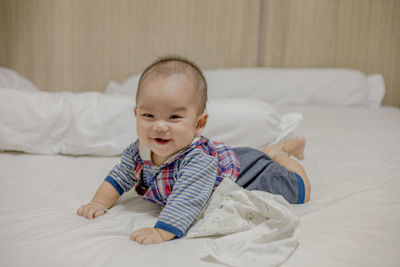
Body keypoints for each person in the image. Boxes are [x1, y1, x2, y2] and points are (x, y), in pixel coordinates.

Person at [77, 56, 311, 245]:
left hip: (245, 171)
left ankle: (281, 153)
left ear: (199, 124)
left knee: (300, 191)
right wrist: (98, 203)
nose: (159, 125)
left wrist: (162, 232)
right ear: (136, 114)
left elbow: (186, 201)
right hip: (226, 156)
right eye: (149, 115)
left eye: (174, 117)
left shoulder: (197, 162)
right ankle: (271, 150)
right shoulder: (138, 151)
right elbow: (118, 177)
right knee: (253, 156)